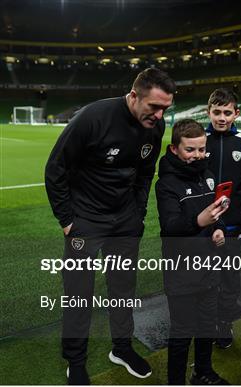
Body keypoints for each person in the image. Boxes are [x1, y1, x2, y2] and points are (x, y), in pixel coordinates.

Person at [45, 68, 176, 384]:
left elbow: (145, 175)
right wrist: (67, 221)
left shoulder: (153, 129)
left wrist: (137, 215)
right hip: (86, 222)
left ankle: (121, 348)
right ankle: (76, 362)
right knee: (79, 293)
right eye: (154, 107)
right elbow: (55, 169)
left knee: (123, 289)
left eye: (165, 110)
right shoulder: (93, 117)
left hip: (125, 223)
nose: (159, 116)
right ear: (134, 96)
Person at [155, 119, 230, 385]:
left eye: (201, 149)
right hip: (181, 273)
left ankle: (203, 372)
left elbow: (214, 214)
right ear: (174, 149)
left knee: (207, 325)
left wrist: (217, 228)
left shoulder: (208, 176)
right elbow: (170, 227)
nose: (197, 155)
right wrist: (200, 222)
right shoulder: (166, 184)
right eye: (190, 150)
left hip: (208, 266)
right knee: (182, 332)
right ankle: (175, 381)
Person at [204, 88, 241, 348]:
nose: (222, 117)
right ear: (209, 112)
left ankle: (224, 324)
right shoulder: (199, 139)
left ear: (236, 114)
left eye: (228, 112)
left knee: (229, 277)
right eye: (217, 112)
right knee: (204, 276)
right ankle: (204, 321)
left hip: (233, 224)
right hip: (203, 225)